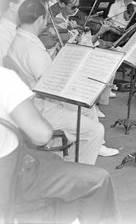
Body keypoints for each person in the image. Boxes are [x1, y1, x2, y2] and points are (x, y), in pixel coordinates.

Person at [0, 67, 120, 224]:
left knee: (53, 160)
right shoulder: (5, 78)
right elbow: (42, 136)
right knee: (99, 179)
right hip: (12, 174)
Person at [6, 0, 117, 163]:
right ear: (39, 20)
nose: (47, 23)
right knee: (95, 129)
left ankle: (66, 155)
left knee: (87, 110)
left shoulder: (18, 41)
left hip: (31, 100)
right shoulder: (32, 50)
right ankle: (76, 170)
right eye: (45, 19)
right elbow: (52, 86)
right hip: (41, 108)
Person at [0, 0, 28, 65]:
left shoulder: (17, 29)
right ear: (12, 6)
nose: (29, 11)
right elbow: (8, 66)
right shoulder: (2, 33)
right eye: (26, 6)